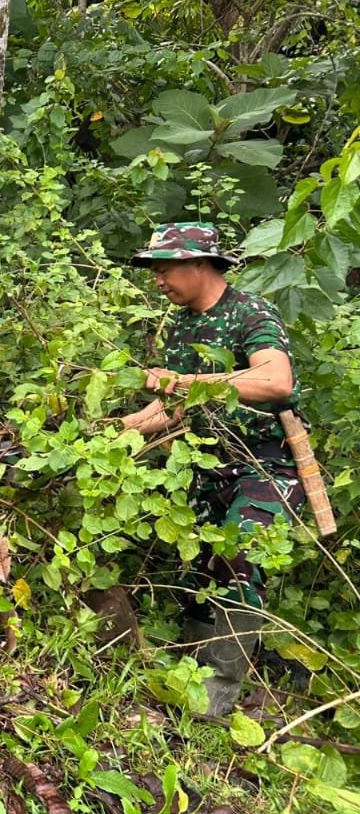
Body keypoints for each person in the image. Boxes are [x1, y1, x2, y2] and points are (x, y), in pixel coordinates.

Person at [120, 222, 304, 716]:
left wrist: (186, 380)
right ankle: (188, 679)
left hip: (265, 463)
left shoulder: (250, 313)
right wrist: (120, 430)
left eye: (166, 269)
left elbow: (276, 381)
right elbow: (176, 406)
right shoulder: (182, 327)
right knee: (200, 568)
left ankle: (214, 698)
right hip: (207, 466)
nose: (159, 281)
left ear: (200, 264)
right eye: (154, 271)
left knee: (238, 556)